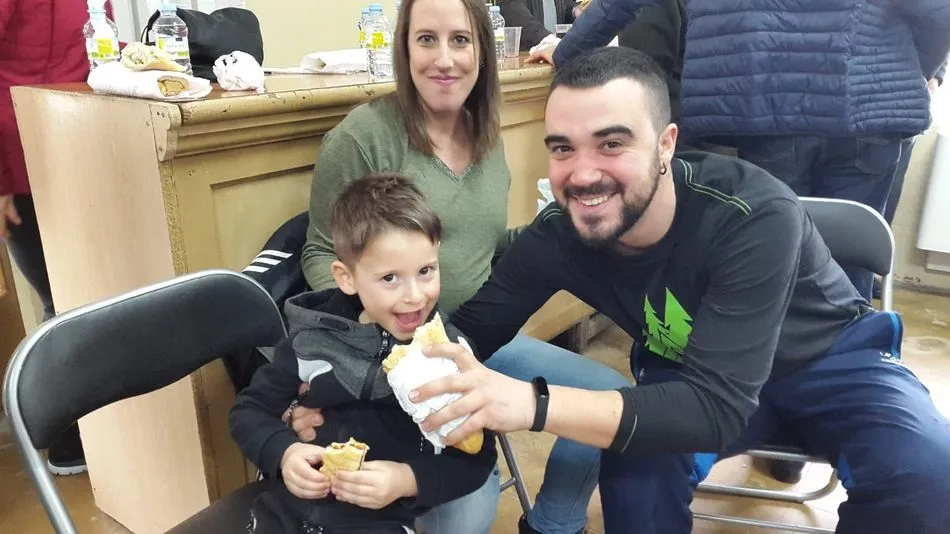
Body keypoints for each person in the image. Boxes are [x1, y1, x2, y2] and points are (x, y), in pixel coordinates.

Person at [409, 47, 950, 534]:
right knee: (634, 468)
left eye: (612, 143)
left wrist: (532, 403)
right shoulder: (559, 235)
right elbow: (472, 331)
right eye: (563, 148)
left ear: (666, 144)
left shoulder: (750, 214)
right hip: (692, 369)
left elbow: (714, 409)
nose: (583, 174)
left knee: (929, 476)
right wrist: (382, 376)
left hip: (832, 359)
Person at [291, 0, 632, 532]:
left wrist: (560, 227)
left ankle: (553, 524)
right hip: (394, 355)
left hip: (478, 339)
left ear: (483, 52)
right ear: (404, 49)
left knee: (609, 400)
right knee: (469, 499)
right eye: (427, 39)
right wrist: (372, 336)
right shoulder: (362, 138)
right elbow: (319, 253)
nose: (445, 59)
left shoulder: (486, 136)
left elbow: (485, 245)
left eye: (461, 40)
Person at [531, 0, 950, 304]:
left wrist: (567, 52)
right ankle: (849, 370)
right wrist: (924, 70)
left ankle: (773, 381)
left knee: (777, 256)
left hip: (768, 107)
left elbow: (618, 5)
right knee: (850, 258)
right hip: (868, 108)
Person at [229, 174, 497, 534]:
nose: (415, 296)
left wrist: (406, 479)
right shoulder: (310, 343)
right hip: (285, 511)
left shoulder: (449, 356)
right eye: (390, 278)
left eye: (425, 271)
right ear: (346, 278)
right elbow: (249, 411)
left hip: (380, 521)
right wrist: (284, 452)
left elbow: (477, 458)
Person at [0, 0, 114, 477]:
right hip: (18, 160)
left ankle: (101, 437)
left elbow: (96, 52)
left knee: (90, 297)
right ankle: (66, 439)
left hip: (77, 145)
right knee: (60, 303)